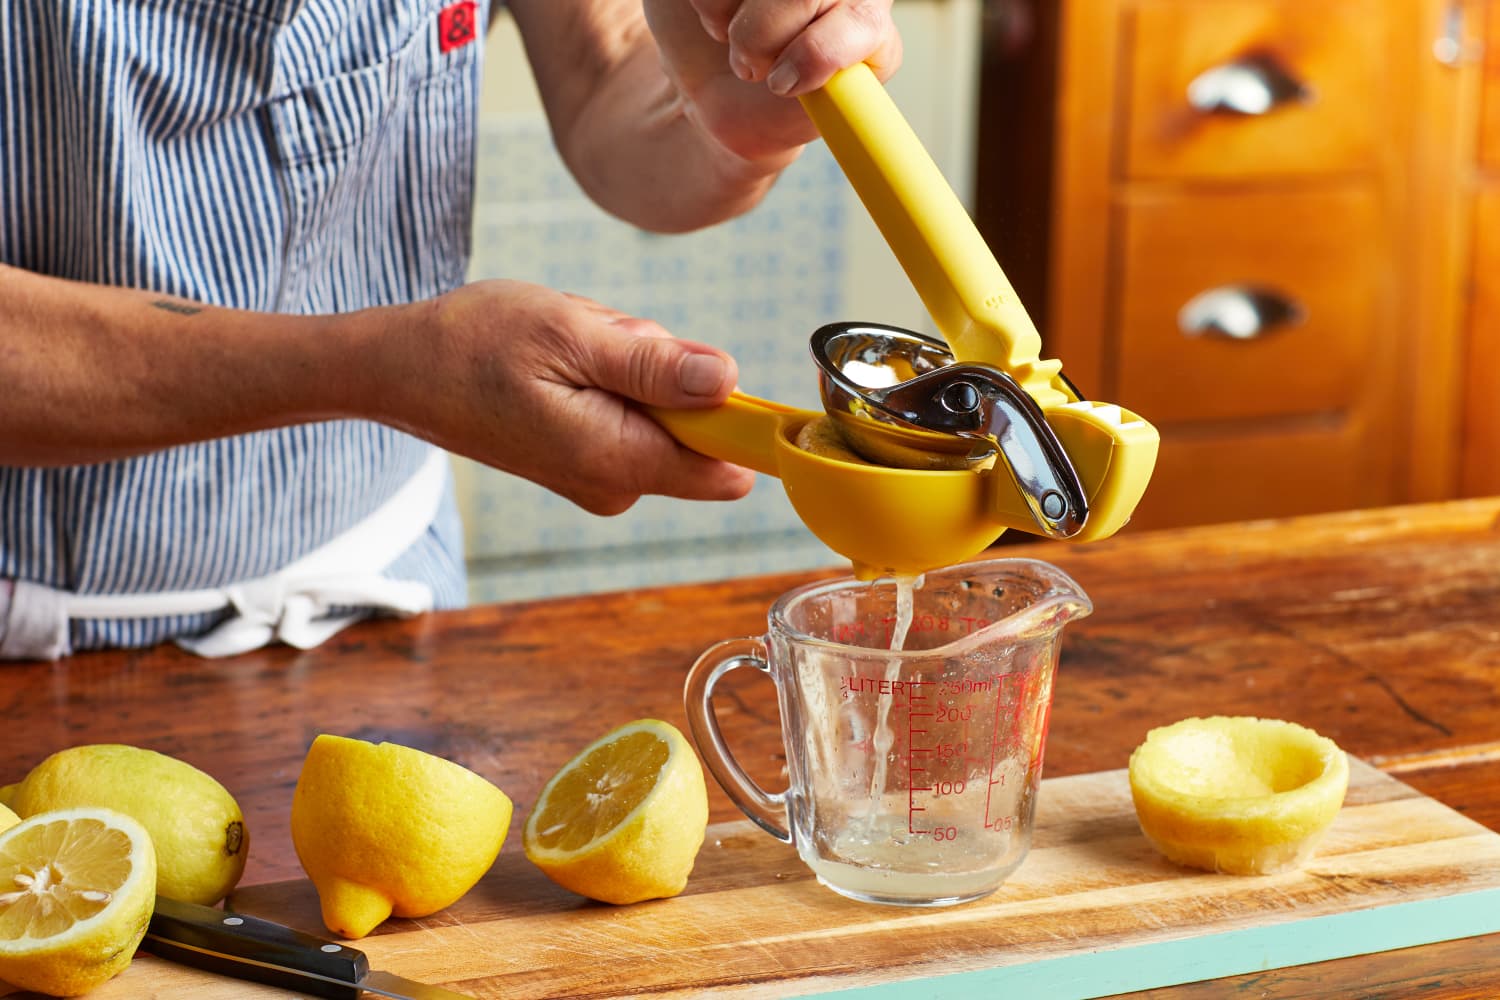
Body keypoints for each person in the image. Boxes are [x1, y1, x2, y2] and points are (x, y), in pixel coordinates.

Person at [0, 0, 902, 659]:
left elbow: (604, 66)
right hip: (27, 640)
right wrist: (380, 373)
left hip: (389, 602)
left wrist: (729, 120)